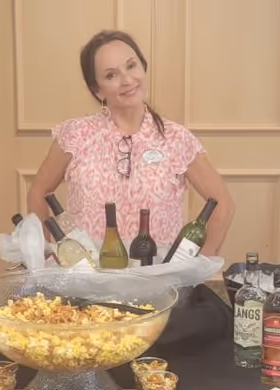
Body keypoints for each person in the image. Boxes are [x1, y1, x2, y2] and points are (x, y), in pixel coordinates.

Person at [27, 30, 234, 257]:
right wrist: (45, 253)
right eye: (111, 75)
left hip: (157, 282)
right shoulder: (75, 135)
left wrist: (198, 266)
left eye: (131, 65)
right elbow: (38, 191)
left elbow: (222, 204)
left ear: (143, 67)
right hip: (89, 282)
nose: (127, 80)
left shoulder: (177, 139)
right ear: (97, 89)